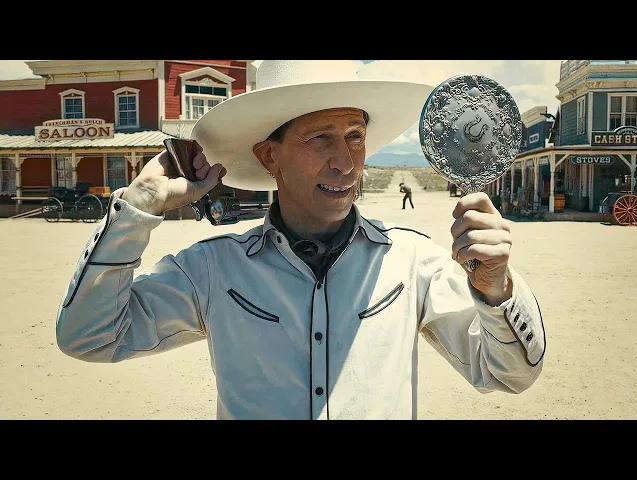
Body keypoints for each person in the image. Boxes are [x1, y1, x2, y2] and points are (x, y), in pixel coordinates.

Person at [55, 60, 546, 420]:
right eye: (320, 139)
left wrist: (496, 290)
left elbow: (509, 374)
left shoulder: (412, 261)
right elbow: (91, 336)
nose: (346, 162)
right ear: (270, 156)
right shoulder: (214, 270)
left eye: (355, 136)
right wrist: (137, 209)